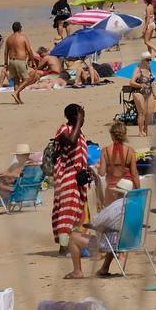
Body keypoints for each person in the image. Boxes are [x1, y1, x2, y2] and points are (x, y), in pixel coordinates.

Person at [64, 179, 132, 279]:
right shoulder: (133, 206)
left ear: (117, 193)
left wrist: (99, 215)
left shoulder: (116, 206)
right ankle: (104, 268)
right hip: (128, 241)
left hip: (112, 243)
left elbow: (95, 222)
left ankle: (77, 271)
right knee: (113, 231)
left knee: (74, 237)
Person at [51, 104, 89, 253]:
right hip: (67, 178)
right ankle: (63, 248)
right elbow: (71, 142)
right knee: (66, 212)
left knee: (77, 212)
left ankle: (74, 244)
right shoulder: (64, 130)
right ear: (74, 117)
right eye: (81, 116)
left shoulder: (79, 133)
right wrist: (79, 121)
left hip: (76, 179)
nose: (83, 119)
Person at [101, 121, 140, 202]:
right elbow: (134, 173)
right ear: (124, 135)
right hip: (127, 188)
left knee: (111, 214)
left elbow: (102, 172)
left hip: (111, 188)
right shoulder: (130, 151)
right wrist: (139, 189)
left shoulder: (105, 151)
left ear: (112, 135)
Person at [6, 22, 38, 104]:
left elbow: (6, 52)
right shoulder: (23, 37)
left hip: (11, 61)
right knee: (27, 79)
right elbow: (29, 50)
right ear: (20, 28)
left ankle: (18, 99)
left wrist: (6, 63)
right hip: (20, 60)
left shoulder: (9, 38)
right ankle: (16, 93)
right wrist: (33, 61)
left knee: (16, 80)